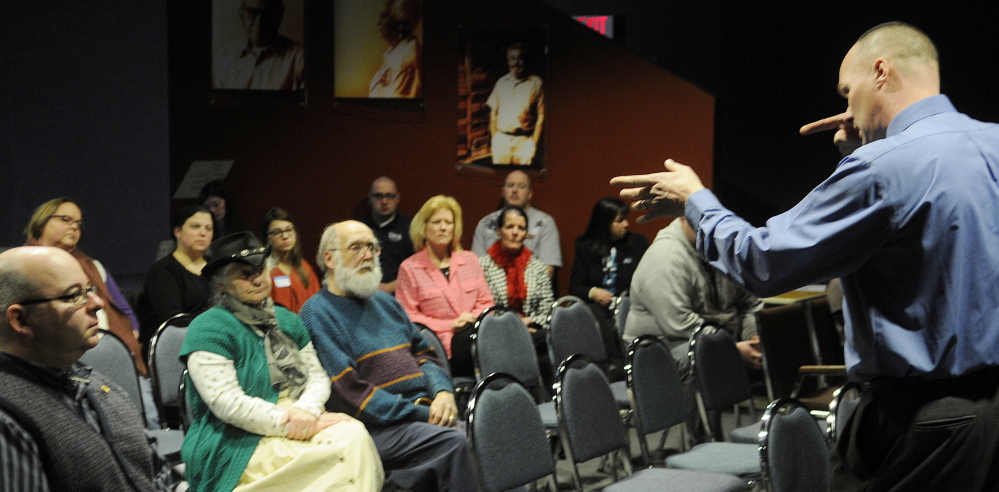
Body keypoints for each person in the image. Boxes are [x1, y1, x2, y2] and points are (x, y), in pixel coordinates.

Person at [612, 22, 999, 490]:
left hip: (919, 422)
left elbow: (765, 262)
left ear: (881, 72)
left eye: (846, 90)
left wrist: (697, 201)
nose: (846, 107)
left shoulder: (882, 167)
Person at [180, 232, 382, 492]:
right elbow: (226, 403)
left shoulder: (286, 319)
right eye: (244, 274)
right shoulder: (208, 327)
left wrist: (307, 412)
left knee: (353, 434)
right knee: (337, 455)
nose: (257, 279)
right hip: (237, 436)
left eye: (261, 270)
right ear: (222, 284)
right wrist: (291, 423)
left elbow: (317, 376)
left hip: (301, 418)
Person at [299, 221, 475, 492]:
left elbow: (425, 353)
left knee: (485, 433)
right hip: (375, 428)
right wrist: (422, 412)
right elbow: (351, 393)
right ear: (329, 258)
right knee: (454, 441)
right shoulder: (317, 313)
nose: (367, 255)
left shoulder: (385, 302)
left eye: (372, 247)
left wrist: (442, 392)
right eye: (356, 247)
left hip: (420, 415)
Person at [0, 246, 177, 491]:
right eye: (74, 295)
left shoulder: (98, 384)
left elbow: (156, 474)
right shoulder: (7, 420)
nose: (98, 302)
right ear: (21, 320)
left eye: (89, 289)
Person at [623, 218, 763, 443]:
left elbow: (748, 302)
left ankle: (777, 439)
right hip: (656, 352)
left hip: (710, 340)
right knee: (700, 360)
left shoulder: (719, 249)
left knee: (772, 346)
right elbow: (679, 323)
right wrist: (732, 350)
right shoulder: (665, 258)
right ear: (682, 220)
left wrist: (752, 337)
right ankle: (702, 446)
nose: (713, 232)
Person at [22, 198, 145, 376]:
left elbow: (122, 308)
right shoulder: (24, 264)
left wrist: (130, 335)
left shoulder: (93, 266)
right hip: (61, 355)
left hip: (113, 350)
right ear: (42, 222)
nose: (74, 227)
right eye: (65, 219)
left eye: (78, 223)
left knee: (143, 400)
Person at [396, 196, 494, 378]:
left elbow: (486, 302)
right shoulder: (409, 268)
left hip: (476, 334)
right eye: (437, 222)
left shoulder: (470, 260)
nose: (443, 227)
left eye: (448, 222)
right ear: (423, 228)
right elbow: (408, 317)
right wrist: (450, 325)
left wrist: (469, 319)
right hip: (440, 345)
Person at [569, 197, 648, 366]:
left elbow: (645, 282)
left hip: (628, 304)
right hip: (598, 307)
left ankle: (627, 364)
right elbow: (575, 287)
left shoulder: (637, 243)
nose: (626, 224)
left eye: (626, 219)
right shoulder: (585, 246)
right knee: (596, 313)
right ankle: (614, 364)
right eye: (619, 221)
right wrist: (593, 292)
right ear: (604, 223)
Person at [138, 205, 214, 352]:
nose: (203, 233)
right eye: (195, 226)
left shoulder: (216, 269)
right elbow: (174, 320)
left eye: (208, 228)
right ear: (177, 231)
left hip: (212, 341)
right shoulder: (163, 271)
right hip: (174, 348)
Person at [471, 170, 562, 277]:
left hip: (530, 289)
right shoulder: (485, 223)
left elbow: (548, 271)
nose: (515, 190)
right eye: (510, 185)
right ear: (503, 191)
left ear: (530, 193)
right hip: (489, 288)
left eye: (521, 186)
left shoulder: (545, 222)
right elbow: (475, 268)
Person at [478, 206, 555, 330]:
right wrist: (514, 326)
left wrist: (528, 322)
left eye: (521, 228)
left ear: (526, 234)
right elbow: (483, 309)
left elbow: (547, 309)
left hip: (532, 329)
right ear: (499, 231)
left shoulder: (537, 267)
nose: (515, 232)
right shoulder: (482, 265)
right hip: (497, 330)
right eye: (509, 227)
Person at [213, 0, 304, 90]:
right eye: (252, 13)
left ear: (279, 17)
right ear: (242, 16)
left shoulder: (299, 57)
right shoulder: (225, 58)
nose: (259, 24)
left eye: (268, 14)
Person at [487, 42, 544, 164]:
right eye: (512, 59)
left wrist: (533, 144)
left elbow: (541, 117)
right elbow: (493, 114)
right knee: (501, 180)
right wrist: (495, 139)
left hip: (524, 142)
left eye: (520, 58)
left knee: (522, 179)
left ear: (525, 60)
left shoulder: (536, 83)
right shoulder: (501, 83)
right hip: (501, 141)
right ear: (508, 62)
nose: (516, 63)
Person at [358, 176, 414, 294]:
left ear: (397, 198)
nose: (384, 201)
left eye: (389, 196)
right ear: (370, 198)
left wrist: (390, 287)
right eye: (378, 196)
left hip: (400, 295)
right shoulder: (358, 228)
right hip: (361, 293)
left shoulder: (410, 229)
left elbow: (419, 269)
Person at [262, 207, 320, 312]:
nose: (285, 236)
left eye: (289, 229)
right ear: (268, 237)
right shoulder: (264, 271)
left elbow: (317, 303)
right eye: (276, 232)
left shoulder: (304, 267)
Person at [367, 0, 422, 98]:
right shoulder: (394, 55)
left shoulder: (407, 57)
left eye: (384, 16)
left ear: (401, 22)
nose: (378, 22)